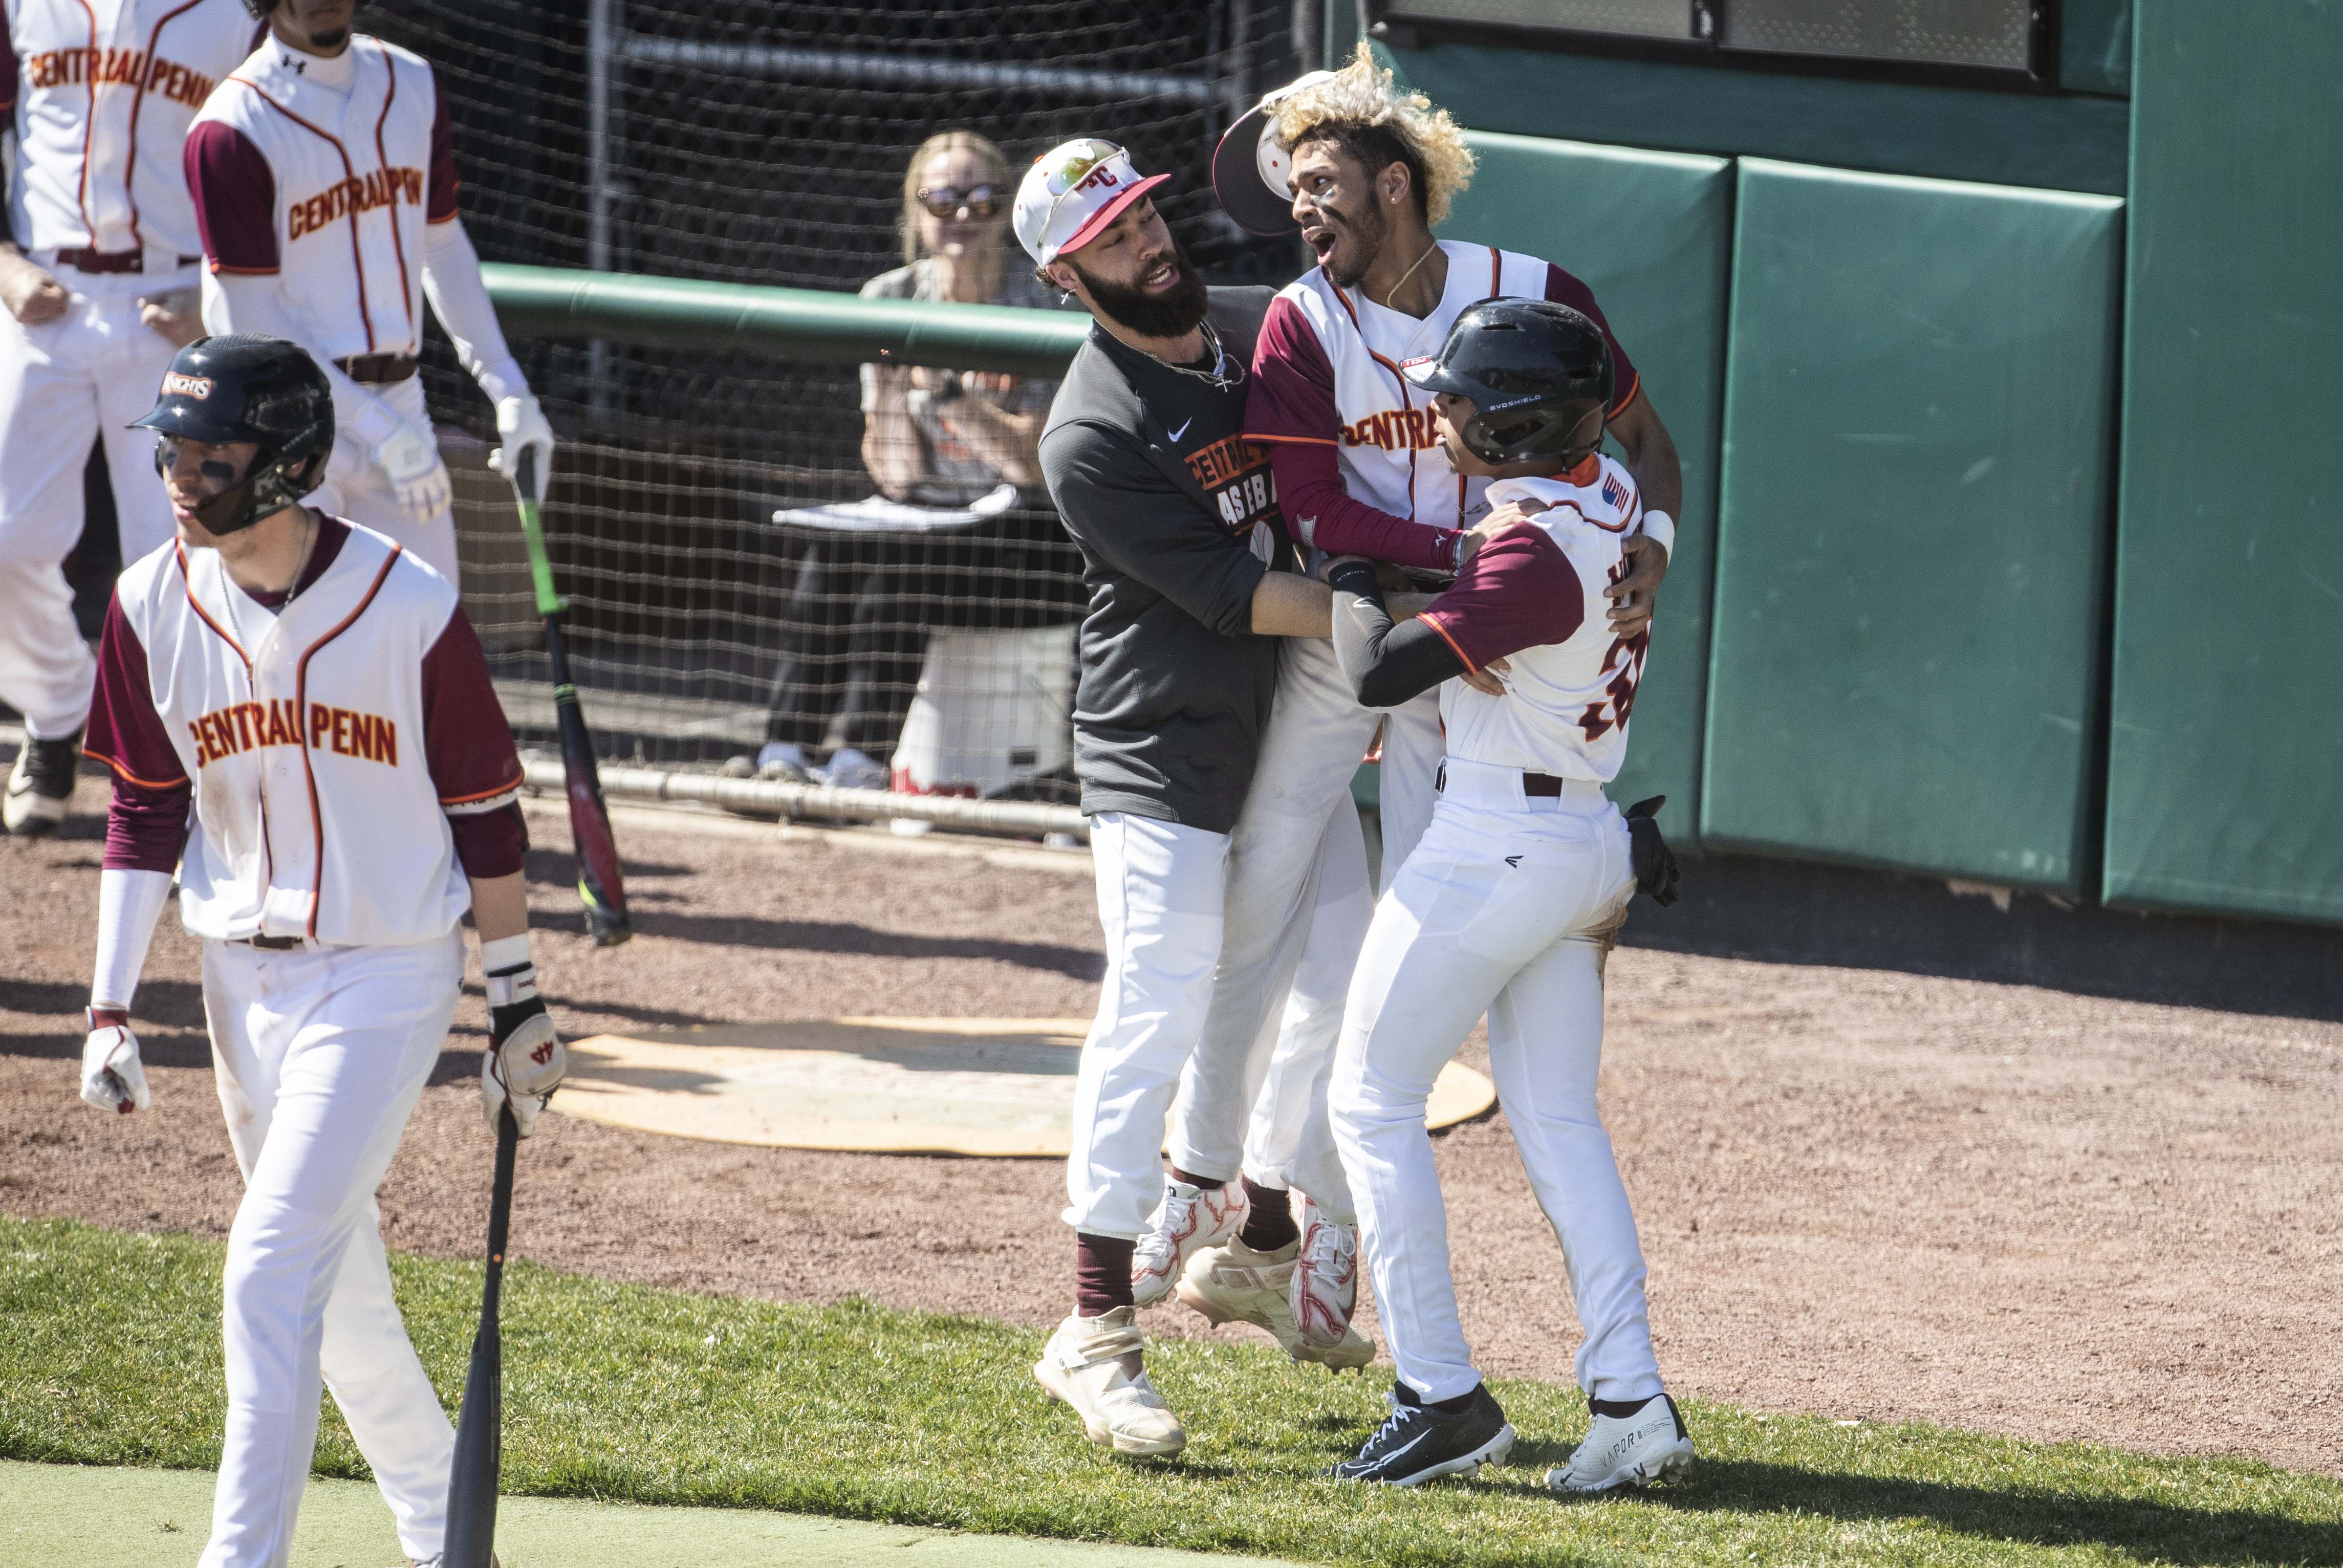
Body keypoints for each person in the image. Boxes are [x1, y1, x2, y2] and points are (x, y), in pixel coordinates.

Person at [1141, 47, 1688, 1358]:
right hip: (1368, 621)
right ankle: (1194, 1167)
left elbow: (1649, 441)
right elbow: (1309, 509)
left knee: (1400, 941)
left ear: (1397, 182)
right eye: (1288, 190)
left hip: (1485, 659)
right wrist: (1504, 571)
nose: (1298, 206)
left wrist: (1653, 532)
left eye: (1320, 180)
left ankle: (1320, 1238)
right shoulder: (1298, 318)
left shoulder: (1532, 299)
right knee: (1265, 881)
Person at [74, 334, 567, 1566]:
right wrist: (108, 1003)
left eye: (213, 454)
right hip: (238, 977)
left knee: (266, 1267)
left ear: (288, 461)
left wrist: (514, 997)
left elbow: (485, 815)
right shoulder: (146, 603)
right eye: (173, 452)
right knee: (337, 1289)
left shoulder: (407, 603)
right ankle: (444, 1530)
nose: (184, 476)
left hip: (385, 972)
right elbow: (147, 805)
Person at [1017, 136, 1393, 1460]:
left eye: (1145, 214)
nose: (1149, 243)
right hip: (1162, 754)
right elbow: (1246, 597)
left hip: (1289, 732)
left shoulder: (1242, 333)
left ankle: (1266, 1245)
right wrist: (1402, 615)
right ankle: (1091, 1329)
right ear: (1071, 277)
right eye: (1113, 238)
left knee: (1344, 989)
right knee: (1165, 993)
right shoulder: (1091, 429)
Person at [1318, 298, 1694, 1490]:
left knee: (1371, 1096)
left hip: (1502, 839)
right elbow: (1532, 562)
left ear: (1517, 419)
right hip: (1577, 830)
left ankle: (1439, 1393)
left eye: (1463, 400)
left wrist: (1341, 566)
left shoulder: (1535, 550)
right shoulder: (1609, 503)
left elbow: (1377, 670)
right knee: (1559, 1118)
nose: (1445, 414)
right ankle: (1632, 1401)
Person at [180, 0, 555, 587]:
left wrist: (508, 388)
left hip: (400, 402)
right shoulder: (230, 128)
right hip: (287, 424)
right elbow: (248, 317)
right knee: (294, 644)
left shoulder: (412, 81)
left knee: (426, 639)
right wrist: (377, 431)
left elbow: (443, 246)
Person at [0, 0, 255, 837]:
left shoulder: (228, 15)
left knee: (181, 559)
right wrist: (1, 261)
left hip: (172, 301)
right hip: (42, 295)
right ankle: (56, 706)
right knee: (4, 539)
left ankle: (184, 781)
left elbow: (270, 161)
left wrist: (218, 295)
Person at [745, 130, 1058, 791]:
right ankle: (783, 752)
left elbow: (1029, 466)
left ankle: (859, 759)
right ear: (915, 213)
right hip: (924, 514)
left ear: (1008, 212)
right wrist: (892, 384)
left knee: (899, 560)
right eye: (943, 201)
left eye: (983, 199)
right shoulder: (889, 297)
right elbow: (895, 475)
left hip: (1025, 537)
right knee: (832, 553)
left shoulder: (1042, 304)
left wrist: (947, 391)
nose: (964, 216)